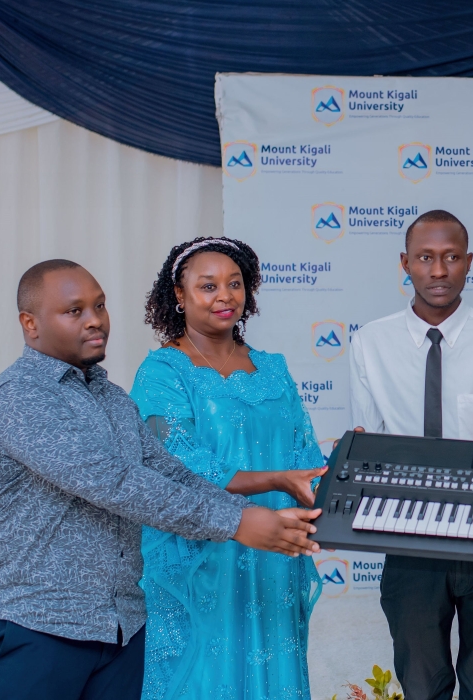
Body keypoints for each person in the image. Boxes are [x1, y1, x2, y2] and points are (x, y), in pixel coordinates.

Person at [0, 259, 321, 700]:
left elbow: (168, 472)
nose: (95, 320)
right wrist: (238, 523)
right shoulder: (20, 395)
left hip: (120, 627)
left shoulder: (112, 399)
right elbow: (113, 483)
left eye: (99, 305)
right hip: (40, 622)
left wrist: (249, 514)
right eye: (74, 311)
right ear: (30, 324)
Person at [130, 238, 328, 699]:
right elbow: (179, 463)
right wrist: (278, 480)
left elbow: (303, 452)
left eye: (234, 284)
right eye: (208, 286)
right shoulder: (162, 371)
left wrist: (343, 464)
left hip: (273, 552)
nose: (225, 296)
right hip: (198, 554)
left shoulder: (274, 369)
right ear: (179, 296)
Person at [350, 210, 473, 700]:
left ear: (469, 262)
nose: (438, 270)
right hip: (409, 538)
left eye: (451, 257)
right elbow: (368, 446)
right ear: (405, 263)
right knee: (421, 684)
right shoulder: (370, 342)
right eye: (425, 258)